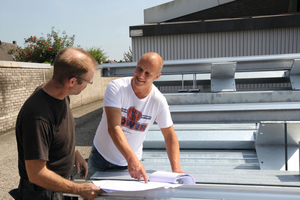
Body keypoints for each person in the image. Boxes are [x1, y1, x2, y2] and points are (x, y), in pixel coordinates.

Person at [15, 47, 103, 200]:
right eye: (89, 81)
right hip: (44, 192)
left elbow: (60, 134)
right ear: (72, 81)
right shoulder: (37, 116)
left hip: (61, 184)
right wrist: (79, 188)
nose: (88, 84)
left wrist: (76, 154)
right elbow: (36, 174)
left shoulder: (62, 95)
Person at [87, 52, 186, 182]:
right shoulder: (117, 87)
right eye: (140, 69)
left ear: (157, 76)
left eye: (147, 73)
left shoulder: (158, 101)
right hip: (101, 157)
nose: (140, 76)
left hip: (128, 164)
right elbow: (114, 127)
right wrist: (131, 158)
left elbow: (170, 136)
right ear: (137, 64)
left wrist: (176, 169)